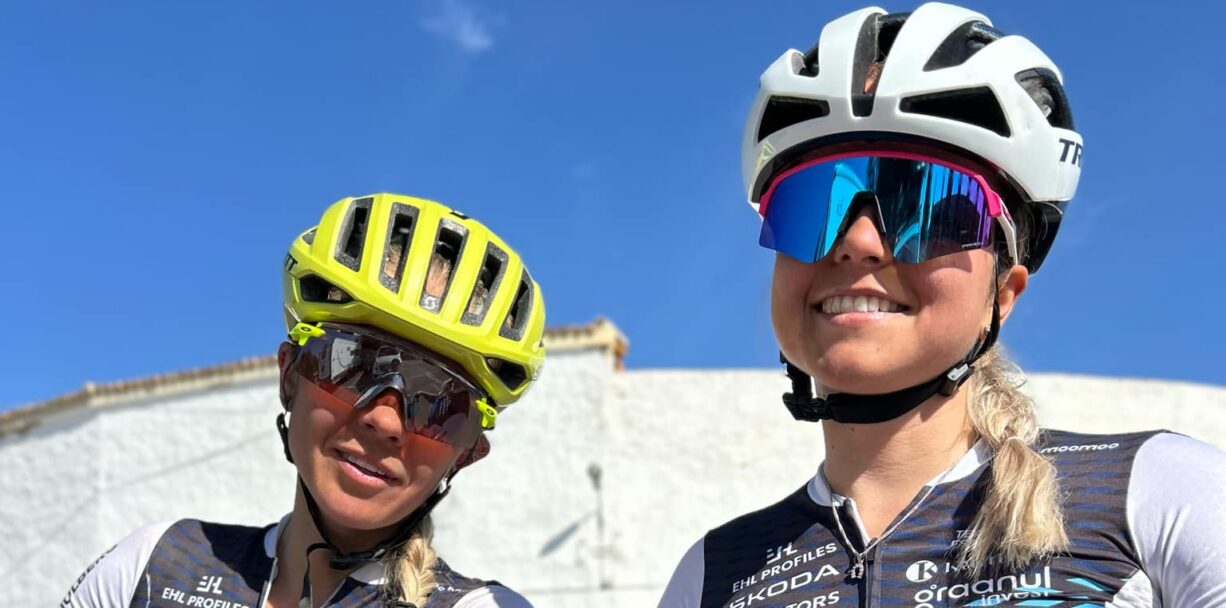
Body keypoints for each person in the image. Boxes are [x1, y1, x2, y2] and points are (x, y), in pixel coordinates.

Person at [659, 3, 1226, 606]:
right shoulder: (712, 575)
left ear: (1002, 294)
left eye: (926, 208)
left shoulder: (1156, 495)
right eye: (811, 206)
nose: (857, 242)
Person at [63, 193, 545, 607]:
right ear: (289, 375)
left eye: (441, 402)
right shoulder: (153, 568)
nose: (385, 420)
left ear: (467, 454)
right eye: (351, 363)